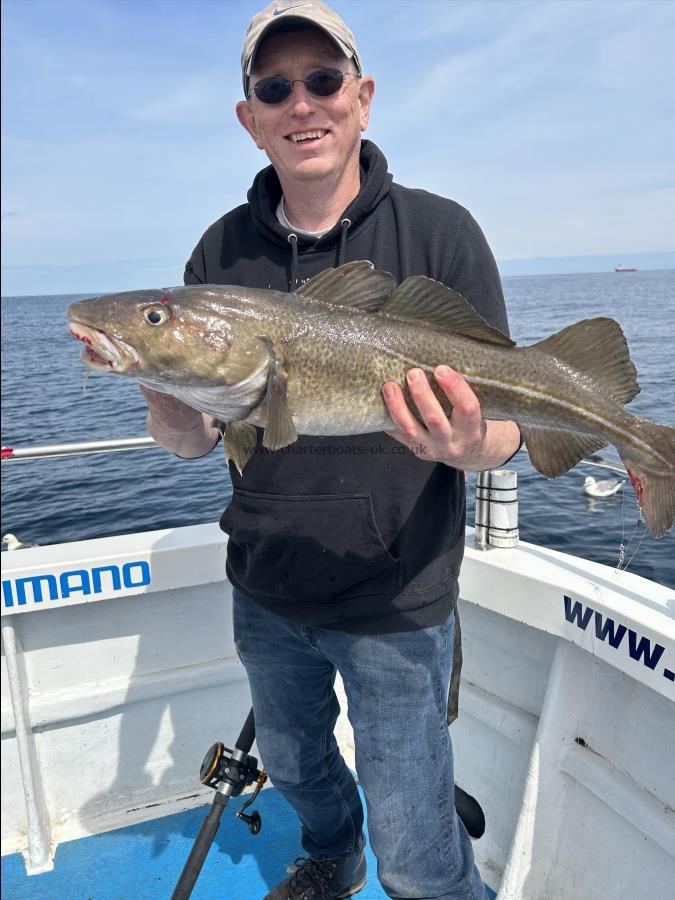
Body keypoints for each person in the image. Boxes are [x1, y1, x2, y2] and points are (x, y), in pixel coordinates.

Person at [141, 1, 521, 897]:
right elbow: (194, 441)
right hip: (264, 586)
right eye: (275, 87)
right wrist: (167, 391)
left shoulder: (439, 233)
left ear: (362, 97)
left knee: (416, 837)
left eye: (323, 80)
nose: (300, 103)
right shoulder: (217, 255)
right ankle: (328, 857)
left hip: (397, 597)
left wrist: (470, 445)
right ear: (250, 118)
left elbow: (506, 430)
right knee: (299, 768)